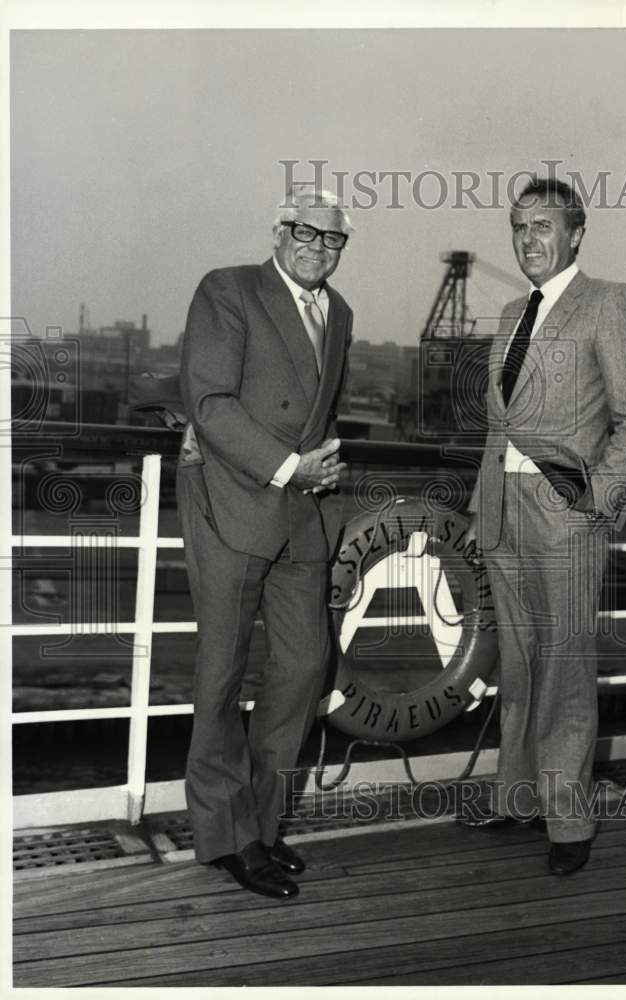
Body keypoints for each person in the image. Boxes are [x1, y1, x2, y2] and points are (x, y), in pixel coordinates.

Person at [461, 177, 626, 875]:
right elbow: (501, 425)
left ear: (575, 233)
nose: (527, 240)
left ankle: (568, 822)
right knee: (518, 665)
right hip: (503, 511)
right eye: (518, 228)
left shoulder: (608, 302)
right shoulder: (513, 311)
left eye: (542, 227)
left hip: (564, 515)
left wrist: (594, 499)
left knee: (566, 671)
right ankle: (516, 795)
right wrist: (481, 507)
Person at [177, 187, 353, 899]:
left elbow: (323, 411)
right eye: (304, 233)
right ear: (278, 231)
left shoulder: (338, 314)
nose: (316, 247)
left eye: (332, 239)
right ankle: (227, 837)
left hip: (302, 514)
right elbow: (209, 400)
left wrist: (321, 477)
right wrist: (286, 466)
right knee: (221, 675)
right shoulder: (229, 290)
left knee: (304, 667)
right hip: (233, 505)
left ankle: (262, 823)